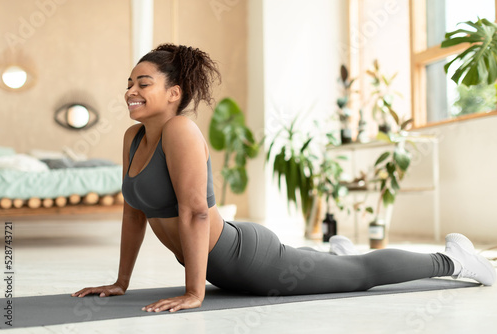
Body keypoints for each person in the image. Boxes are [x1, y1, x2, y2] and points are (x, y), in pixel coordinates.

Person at [72, 44, 496, 313]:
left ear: (175, 93)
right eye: (129, 83)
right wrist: (120, 282)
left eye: (143, 83)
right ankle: (335, 254)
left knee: (361, 276)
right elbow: (133, 214)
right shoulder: (133, 137)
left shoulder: (180, 130)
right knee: (340, 265)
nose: (130, 91)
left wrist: (194, 294)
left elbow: (196, 213)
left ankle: (456, 260)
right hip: (228, 259)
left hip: (248, 262)